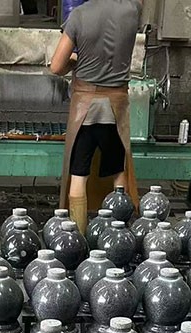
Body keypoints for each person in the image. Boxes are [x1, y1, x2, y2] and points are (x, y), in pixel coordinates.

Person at [49, 0, 141, 234]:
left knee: (79, 176)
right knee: (118, 174)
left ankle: (78, 236)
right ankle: (118, 235)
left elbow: (56, 66)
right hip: (116, 110)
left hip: (85, 111)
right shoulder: (132, 11)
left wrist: (75, 62)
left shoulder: (79, 15)